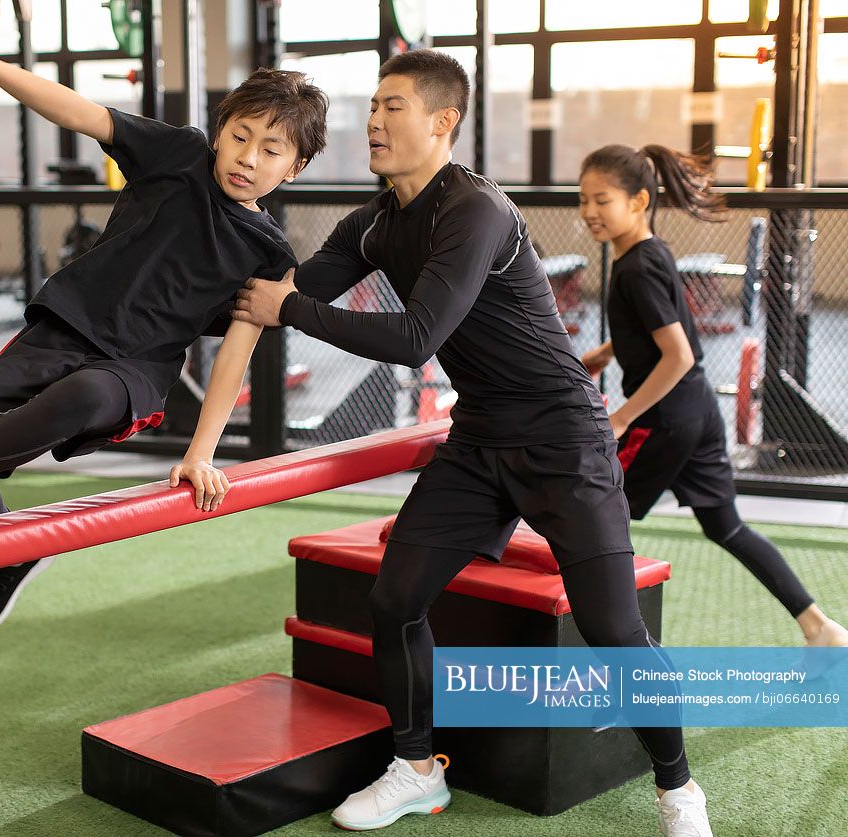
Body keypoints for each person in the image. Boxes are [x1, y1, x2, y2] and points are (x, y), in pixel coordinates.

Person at [232, 50, 712, 835]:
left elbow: (416, 334)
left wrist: (284, 308)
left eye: (392, 105)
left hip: (563, 438)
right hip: (479, 441)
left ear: (441, 120)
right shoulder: (376, 222)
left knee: (612, 630)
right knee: (392, 599)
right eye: (372, 107)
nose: (374, 122)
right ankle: (416, 768)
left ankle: (677, 788)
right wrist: (224, 239)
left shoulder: (476, 209)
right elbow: (290, 287)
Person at [0, 35, 327, 639]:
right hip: (64, 325)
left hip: (135, 370)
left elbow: (234, 354)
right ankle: (9, 553)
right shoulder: (179, 153)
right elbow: (77, 110)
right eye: (241, 136)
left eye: (271, 150)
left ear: (295, 166)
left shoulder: (269, 255)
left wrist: (200, 453)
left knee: (87, 396)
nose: (248, 157)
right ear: (220, 131)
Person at [578, 143, 848, 649]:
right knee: (726, 527)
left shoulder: (636, 268)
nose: (590, 211)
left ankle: (615, 656)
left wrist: (620, 418)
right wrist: (608, 352)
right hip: (698, 411)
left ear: (638, 201)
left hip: (664, 420)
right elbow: (660, 331)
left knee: (593, 523)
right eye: (584, 199)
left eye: (602, 200)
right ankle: (820, 626)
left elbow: (675, 356)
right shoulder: (650, 252)